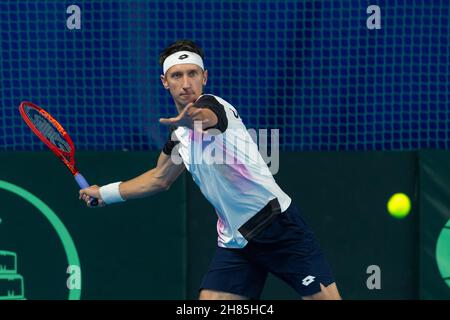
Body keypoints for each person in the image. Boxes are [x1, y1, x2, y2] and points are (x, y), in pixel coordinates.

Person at [79, 39, 341, 300]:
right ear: (164, 81)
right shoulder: (179, 135)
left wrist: (192, 118)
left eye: (192, 73)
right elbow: (158, 179)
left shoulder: (215, 106)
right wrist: (105, 193)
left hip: (278, 227)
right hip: (236, 242)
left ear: (204, 77)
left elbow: (208, 119)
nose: (185, 83)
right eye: (177, 75)